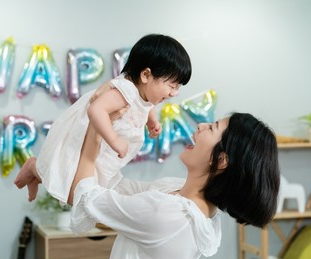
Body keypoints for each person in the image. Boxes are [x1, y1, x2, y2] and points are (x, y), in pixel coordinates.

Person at [65, 112, 280, 259]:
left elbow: (86, 198)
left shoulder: (170, 213)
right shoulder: (185, 197)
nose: (200, 126)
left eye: (212, 128)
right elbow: (117, 186)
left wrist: (96, 126)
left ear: (221, 160)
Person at [14, 33, 192, 203]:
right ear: (146, 75)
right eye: (172, 85)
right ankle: (34, 168)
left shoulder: (143, 93)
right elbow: (96, 109)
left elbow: (146, 105)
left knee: (85, 193)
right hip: (89, 142)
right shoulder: (124, 91)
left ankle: (36, 171)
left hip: (103, 153)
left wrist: (151, 120)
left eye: (178, 87)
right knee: (75, 194)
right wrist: (114, 139)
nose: (174, 93)